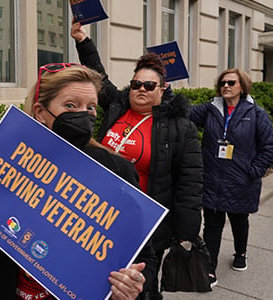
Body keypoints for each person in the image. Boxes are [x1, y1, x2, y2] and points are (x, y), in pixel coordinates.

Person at [0, 63, 157, 300]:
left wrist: (133, 283)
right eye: (70, 105)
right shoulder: (9, 166)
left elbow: (143, 259)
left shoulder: (116, 171)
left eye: (91, 107)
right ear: (40, 111)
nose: (84, 114)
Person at [70, 23, 203, 300]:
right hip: (100, 214)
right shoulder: (117, 106)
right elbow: (99, 75)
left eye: (149, 85)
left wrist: (186, 233)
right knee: (105, 279)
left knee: (141, 286)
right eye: (136, 84)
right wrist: (83, 40)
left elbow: (190, 183)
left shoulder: (179, 127)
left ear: (163, 89)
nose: (141, 89)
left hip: (145, 224)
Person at [188, 68, 273, 286]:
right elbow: (185, 113)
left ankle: (241, 253)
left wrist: (252, 171)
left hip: (240, 182)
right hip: (212, 179)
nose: (225, 86)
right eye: (222, 83)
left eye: (231, 82)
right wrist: (167, 92)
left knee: (239, 220)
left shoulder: (256, 113)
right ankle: (209, 269)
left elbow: (269, 148)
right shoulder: (210, 109)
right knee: (212, 224)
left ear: (242, 87)